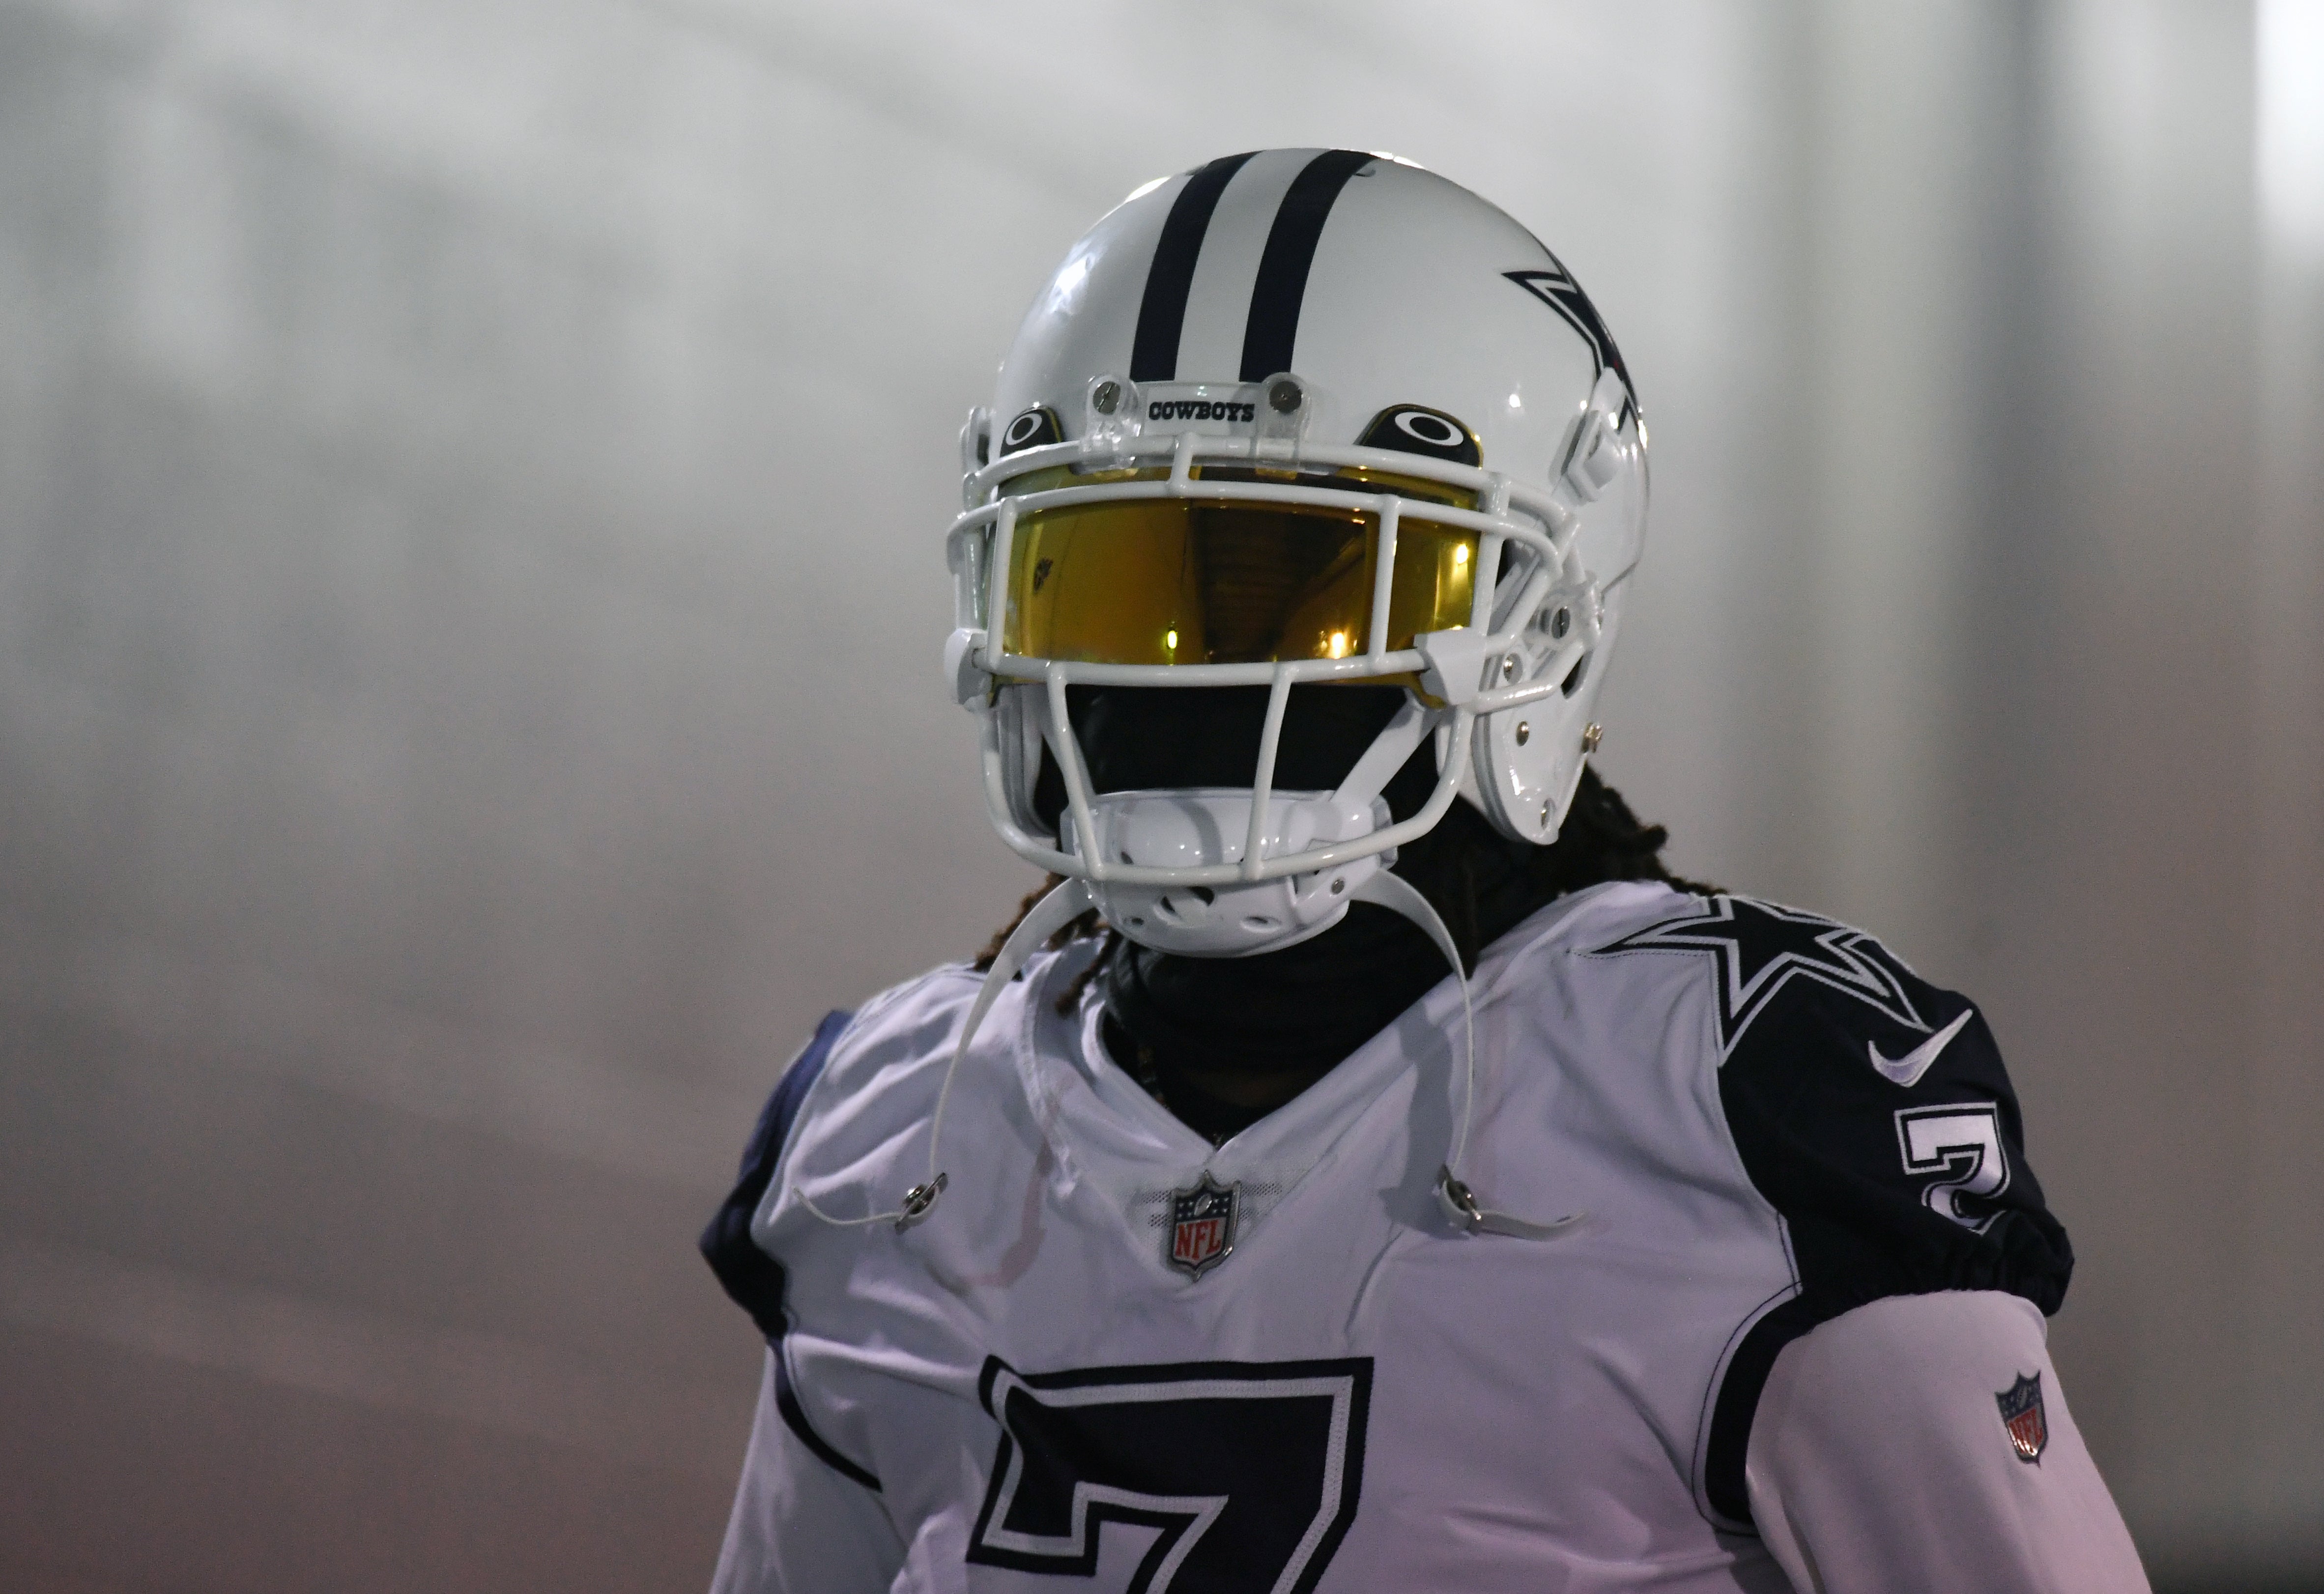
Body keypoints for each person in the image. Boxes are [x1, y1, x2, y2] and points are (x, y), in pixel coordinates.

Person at [700, 150, 2151, 1592]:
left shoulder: (1740, 1092)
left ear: (1539, 618)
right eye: (1122, 583)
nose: (1203, 674)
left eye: (1319, 590)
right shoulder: (891, 1141)